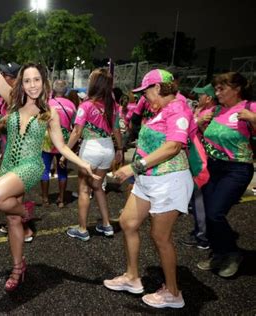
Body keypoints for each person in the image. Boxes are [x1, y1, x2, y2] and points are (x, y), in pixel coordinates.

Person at [0, 25, 98, 292]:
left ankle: (27, 211)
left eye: (36, 80)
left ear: (44, 83)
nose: (32, 85)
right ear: (22, 82)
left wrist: (83, 163)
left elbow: (61, 146)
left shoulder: (49, 112)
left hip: (31, 166)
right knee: (12, 220)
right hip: (9, 164)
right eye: (27, 80)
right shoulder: (13, 100)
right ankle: (18, 267)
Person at [104, 69, 194, 309]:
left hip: (169, 181)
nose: (144, 96)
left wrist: (134, 167)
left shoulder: (178, 108)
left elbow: (173, 146)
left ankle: (173, 293)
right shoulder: (162, 110)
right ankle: (133, 278)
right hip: (150, 180)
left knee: (160, 237)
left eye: (146, 91)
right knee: (128, 222)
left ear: (158, 88)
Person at [198, 72, 255, 278]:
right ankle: (219, 253)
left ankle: (232, 253)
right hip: (213, 167)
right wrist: (201, 122)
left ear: (237, 89)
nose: (217, 92)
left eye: (222, 88)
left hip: (237, 169)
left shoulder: (250, 107)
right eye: (216, 88)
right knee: (206, 213)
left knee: (215, 212)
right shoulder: (216, 110)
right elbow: (205, 136)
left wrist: (254, 119)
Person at [63, 69, 123, 240]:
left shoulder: (86, 105)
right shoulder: (113, 106)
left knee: (84, 189)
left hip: (90, 148)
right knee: (98, 187)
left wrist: (65, 151)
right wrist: (120, 149)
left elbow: (76, 131)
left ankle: (82, 229)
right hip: (108, 148)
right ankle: (106, 225)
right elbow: (117, 130)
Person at [180, 84, 216, 250]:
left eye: (202, 95)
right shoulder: (201, 111)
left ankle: (203, 236)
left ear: (208, 98)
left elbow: (201, 132)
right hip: (198, 158)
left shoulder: (211, 113)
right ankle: (200, 232)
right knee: (198, 199)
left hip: (203, 160)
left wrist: (197, 121)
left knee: (200, 199)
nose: (198, 97)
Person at [41, 79, 76, 208]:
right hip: (64, 140)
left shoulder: (47, 104)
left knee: (44, 169)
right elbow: (75, 124)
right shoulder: (71, 105)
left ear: (54, 90)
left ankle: (45, 199)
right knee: (62, 169)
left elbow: (41, 122)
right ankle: (61, 199)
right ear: (65, 90)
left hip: (48, 139)